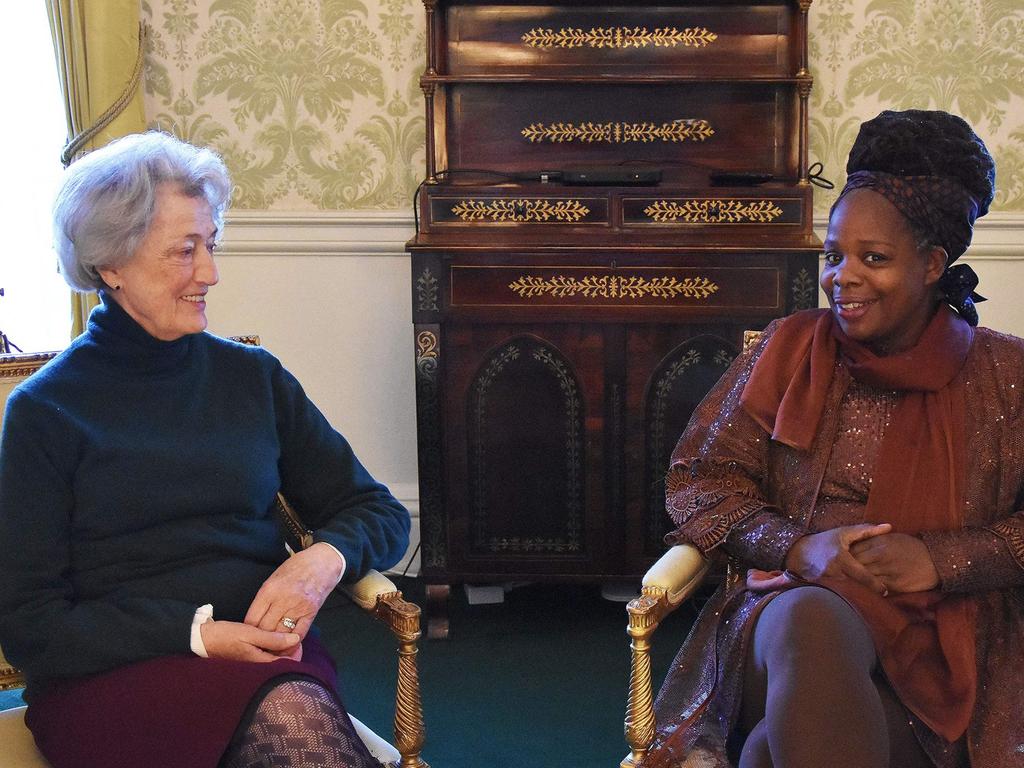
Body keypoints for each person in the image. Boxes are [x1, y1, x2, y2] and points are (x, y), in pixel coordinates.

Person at [0, 132, 411, 768]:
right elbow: (30, 625)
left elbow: (377, 511)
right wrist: (196, 635)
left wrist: (323, 559)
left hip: (266, 662)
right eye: (184, 251)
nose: (210, 273)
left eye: (211, 245)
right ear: (112, 264)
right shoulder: (47, 412)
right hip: (113, 677)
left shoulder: (253, 378)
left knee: (292, 716)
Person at [642, 110, 1024, 768]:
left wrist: (942, 559)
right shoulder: (789, 348)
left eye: (873, 259)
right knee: (813, 622)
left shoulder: (1006, 374)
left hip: (949, 640)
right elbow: (697, 484)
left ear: (933, 264)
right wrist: (799, 547)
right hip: (794, 619)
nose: (841, 277)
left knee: (774, 752)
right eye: (833, 255)